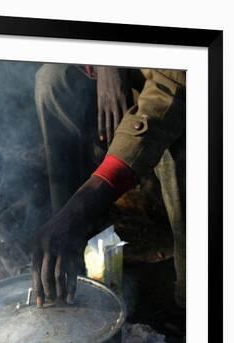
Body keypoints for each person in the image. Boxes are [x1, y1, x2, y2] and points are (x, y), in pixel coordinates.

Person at [33, 64, 186, 308]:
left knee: (186, 128)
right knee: (52, 82)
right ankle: (67, 254)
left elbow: (172, 88)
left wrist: (84, 204)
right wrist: (105, 61)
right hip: (123, 67)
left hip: (176, 83)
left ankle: (192, 294)